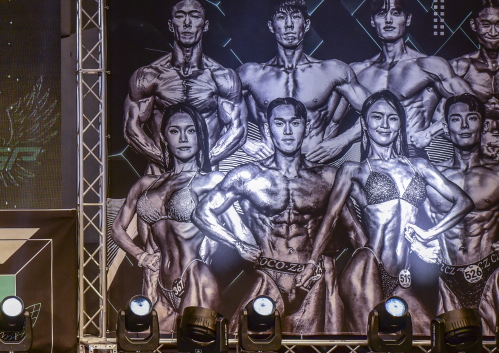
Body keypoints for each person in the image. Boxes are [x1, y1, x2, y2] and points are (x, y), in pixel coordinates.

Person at [325, 91, 472, 330]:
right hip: (367, 266)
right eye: (377, 117)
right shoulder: (354, 169)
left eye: (392, 118)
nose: (385, 124)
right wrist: (310, 263)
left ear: (400, 124)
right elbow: (330, 218)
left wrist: (430, 233)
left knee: (427, 336)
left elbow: (464, 202)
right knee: (371, 342)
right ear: (364, 123)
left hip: (401, 276)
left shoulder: (419, 166)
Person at [196, 98, 343, 333]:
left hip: (312, 280)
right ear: (267, 129)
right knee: (251, 348)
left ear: (306, 127)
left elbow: (353, 230)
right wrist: (237, 244)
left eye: (295, 123)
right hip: (268, 277)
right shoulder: (248, 176)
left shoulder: (328, 177)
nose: (287, 131)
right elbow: (202, 212)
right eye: (279, 123)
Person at [112, 102, 224, 334]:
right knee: (147, 348)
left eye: (190, 130)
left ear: (200, 136)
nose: (183, 138)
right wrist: (141, 256)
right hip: (158, 283)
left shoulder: (210, 182)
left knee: (195, 347)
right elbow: (117, 229)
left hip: (195, 278)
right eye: (175, 131)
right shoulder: (146, 184)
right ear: (164, 137)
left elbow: (229, 227)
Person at [237, 0, 369, 165]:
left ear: (306, 25)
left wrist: (343, 140)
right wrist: (243, 142)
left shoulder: (332, 71)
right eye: (281, 17)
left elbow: (380, 109)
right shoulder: (251, 74)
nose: (289, 24)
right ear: (271, 26)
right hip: (269, 168)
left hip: (315, 166)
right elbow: (213, 110)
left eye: (295, 16)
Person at [125, 0, 245, 172]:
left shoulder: (222, 78)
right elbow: (131, 129)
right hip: (161, 173)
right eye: (180, 16)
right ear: (170, 25)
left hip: (206, 175)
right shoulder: (148, 76)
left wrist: (203, 162)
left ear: (205, 25)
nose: (187, 23)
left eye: (195, 16)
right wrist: (167, 162)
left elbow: (238, 130)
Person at [351, 0, 470, 154]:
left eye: (396, 13)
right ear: (373, 21)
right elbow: (331, 120)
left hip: (414, 154)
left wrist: (431, 132)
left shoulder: (429, 66)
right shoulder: (359, 71)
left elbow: (471, 104)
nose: (388, 19)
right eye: (381, 13)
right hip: (371, 157)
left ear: (408, 19)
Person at [434, 94, 499, 331]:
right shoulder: (433, 176)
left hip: (490, 273)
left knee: (493, 347)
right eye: (456, 119)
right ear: (445, 127)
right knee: (445, 346)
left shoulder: (497, 173)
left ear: (483, 125)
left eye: (471, 118)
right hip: (446, 277)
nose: (464, 126)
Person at [451, 0, 499, 110]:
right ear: (474, 25)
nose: (493, 32)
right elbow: (441, 114)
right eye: (486, 24)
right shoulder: (458, 68)